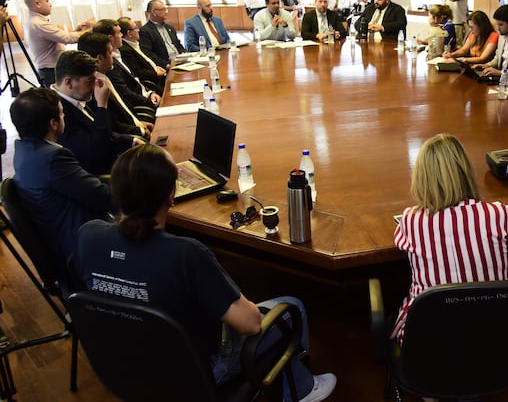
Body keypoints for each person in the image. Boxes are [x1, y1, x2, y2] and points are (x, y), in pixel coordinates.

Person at [73, 144, 337, 402]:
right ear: (170, 195)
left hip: (123, 370)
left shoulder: (88, 235)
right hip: (195, 376)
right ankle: (301, 390)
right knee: (292, 308)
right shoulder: (186, 254)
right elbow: (251, 323)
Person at [390, 133, 508, 346]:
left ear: (421, 178)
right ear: (466, 171)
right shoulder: (497, 213)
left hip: (431, 341)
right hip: (494, 336)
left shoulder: (411, 220)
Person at [9, 87, 116, 286]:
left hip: (63, 241)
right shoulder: (53, 158)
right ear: (53, 123)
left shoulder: (24, 152)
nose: (64, 114)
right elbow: (102, 197)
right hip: (87, 247)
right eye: (61, 112)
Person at [52, 50, 135, 176]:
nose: (94, 86)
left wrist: (132, 141)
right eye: (90, 81)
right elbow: (96, 150)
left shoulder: (76, 97)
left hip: (114, 160)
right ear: (69, 82)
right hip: (104, 174)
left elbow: (101, 131)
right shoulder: (59, 112)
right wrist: (102, 105)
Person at [79, 32, 153, 140]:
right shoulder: (95, 87)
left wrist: (138, 122)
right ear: (99, 58)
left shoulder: (105, 75)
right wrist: (139, 130)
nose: (112, 57)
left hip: (136, 124)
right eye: (110, 53)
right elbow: (112, 124)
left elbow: (124, 108)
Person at [24, 0, 95, 87]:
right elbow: (67, 39)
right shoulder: (39, 24)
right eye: (47, 1)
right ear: (37, 4)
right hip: (50, 71)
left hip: (49, 69)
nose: (50, 4)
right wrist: (92, 28)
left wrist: (77, 30)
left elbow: (59, 40)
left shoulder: (35, 22)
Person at [93, 19, 160, 113]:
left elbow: (136, 79)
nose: (121, 35)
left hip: (146, 95)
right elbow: (126, 93)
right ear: (110, 38)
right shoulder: (108, 64)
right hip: (140, 104)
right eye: (119, 33)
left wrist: (150, 92)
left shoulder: (118, 53)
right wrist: (149, 101)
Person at [117, 16, 167, 93]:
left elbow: (145, 61)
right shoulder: (125, 50)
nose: (138, 30)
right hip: (152, 83)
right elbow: (138, 72)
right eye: (136, 28)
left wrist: (156, 67)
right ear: (129, 33)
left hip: (157, 76)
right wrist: (155, 73)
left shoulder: (135, 44)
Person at [139, 0, 185, 69]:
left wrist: (184, 54)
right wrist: (166, 65)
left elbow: (178, 44)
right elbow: (148, 54)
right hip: (166, 65)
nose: (166, 12)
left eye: (166, 9)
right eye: (163, 10)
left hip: (181, 61)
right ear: (154, 12)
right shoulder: (145, 31)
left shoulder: (169, 27)